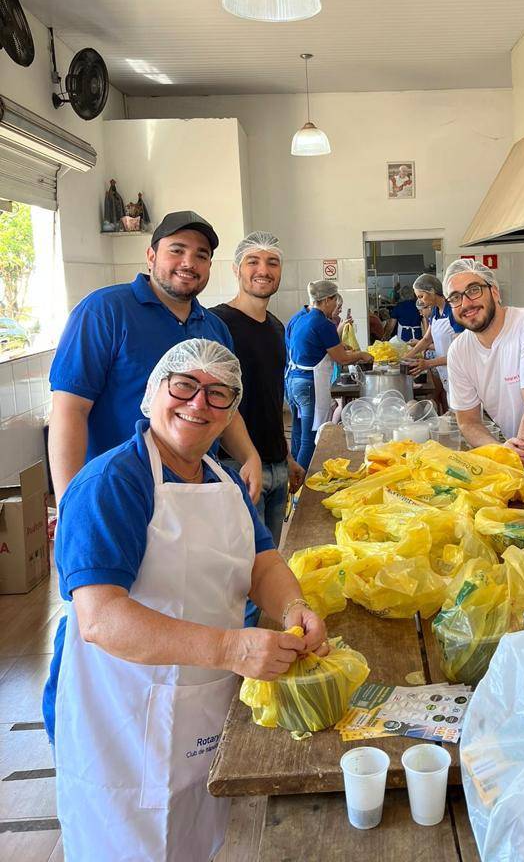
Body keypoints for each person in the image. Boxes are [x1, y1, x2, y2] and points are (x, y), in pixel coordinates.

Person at [44, 339, 327, 862]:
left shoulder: (222, 481)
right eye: (184, 386)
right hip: (123, 724)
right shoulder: (113, 484)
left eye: (219, 395)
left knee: (196, 837)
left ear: (228, 415)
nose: (199, 404)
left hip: (198, 708)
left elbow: (261, 563)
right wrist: (231, 651)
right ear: (153, 393)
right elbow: (101, 619)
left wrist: (293, 607)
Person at [48, 210, 263, 504]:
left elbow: (226, 406)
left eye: (201, 255)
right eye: (177, 250)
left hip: (194, 493)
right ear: (151, 256)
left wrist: (249, 455)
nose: (189, 262)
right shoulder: (105, 312)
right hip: (118, 495)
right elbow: (70, 410)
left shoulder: (214, 329)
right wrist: (69, 505)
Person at [444, 258, 524, 491]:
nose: (466, 302)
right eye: (455, 297)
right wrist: (501, 453)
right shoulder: (459, 351)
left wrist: (512, 470)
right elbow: (468, 421)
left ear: (494, 291)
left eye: (474, 290)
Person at [211, 231, 304, 551]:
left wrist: (287, 456)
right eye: (253, 261)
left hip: (276, 467)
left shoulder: (276, 327)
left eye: (272, 262)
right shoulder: (216, 324)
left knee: (269, 564)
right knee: (242, 572)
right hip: (235, 467)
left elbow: (270, 398)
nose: (263, 269)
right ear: (236, 269)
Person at [285, 280, 373, 471]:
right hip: (309, 384)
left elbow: (312, 348)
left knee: (298, 433)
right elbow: (342, 359)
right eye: (335, 301)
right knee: (311, 436)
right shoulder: (322, 323)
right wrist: (361, 355)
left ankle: (293, 478)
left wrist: (341, 348)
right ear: (326, 300)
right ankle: (301, 483)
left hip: (292, 381)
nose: (336, 307)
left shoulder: (300, 318)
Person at [404, 273, 463, 389]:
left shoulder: (452, 311)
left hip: (459, 371)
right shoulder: (435, 311)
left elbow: (460, 354)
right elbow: (426, 339)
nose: (420, 301)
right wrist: (405, 357)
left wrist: (427, 364)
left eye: (421, 296)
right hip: (445, 371)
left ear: (432, 291)